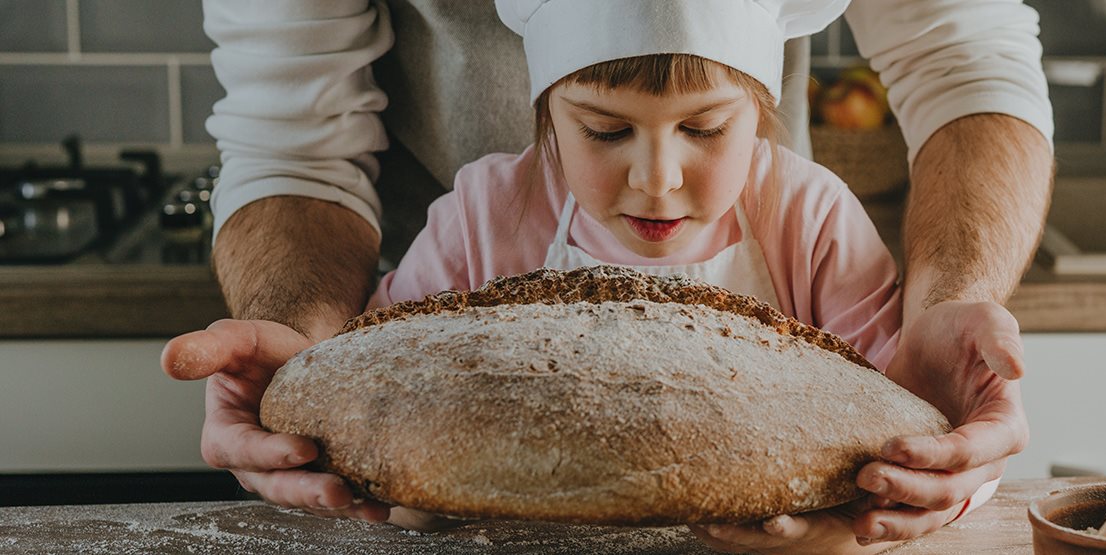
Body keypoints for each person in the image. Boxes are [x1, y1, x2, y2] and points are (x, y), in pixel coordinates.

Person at [163, 0, 1053, 549]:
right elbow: (379, 382)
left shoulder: (808, 221)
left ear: (763, 114)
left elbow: (910, 428)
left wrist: (870, 518)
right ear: (547, 115)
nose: (657, 176)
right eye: (605, 130)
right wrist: (307, 385)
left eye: (705, 130)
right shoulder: (482, 215)